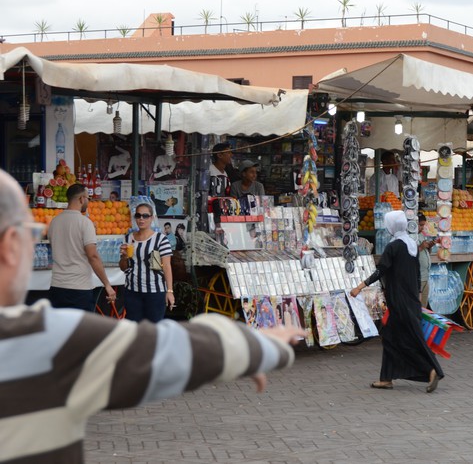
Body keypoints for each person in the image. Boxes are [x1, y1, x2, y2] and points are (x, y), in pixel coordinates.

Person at [0, 168, 304, 462]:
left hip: (139, 290)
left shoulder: (42, 336)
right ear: (12, 246)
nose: (141, 219)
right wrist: (253, 347)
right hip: (108, 289)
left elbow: (151, 342)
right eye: (30, 234)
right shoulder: (45, 337)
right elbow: (157, 351)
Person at [349, 210, 444, 392]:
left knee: (409, 338)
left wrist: (359, 287)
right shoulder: (412, 245)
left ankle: (432, 370)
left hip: (399, 300)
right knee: (391, 338)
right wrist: (416, 294)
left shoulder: (393, 247)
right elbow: (416, 273)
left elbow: (381, 270)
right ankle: (386, 378)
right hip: (409, 300)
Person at [47, 183, 116, 312]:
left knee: (60, 330)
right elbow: (93, 256)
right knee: (80, 331)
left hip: (57, 286)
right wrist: (107, 284)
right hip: (79, 289)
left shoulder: (54, 222)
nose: (88, 202)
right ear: (81, 199)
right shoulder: (85, 223)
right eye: (88, 198)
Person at [119, 203, 174, 322]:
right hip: (132, 291)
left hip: (154, 291)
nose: (141, 219)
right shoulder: (128, 238)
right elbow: (123, 267)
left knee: (153, 329)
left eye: (145, 216)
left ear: (152, 217)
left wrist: (169, 291)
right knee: (133, 329)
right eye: (138, 215)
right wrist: (123, 258)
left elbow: (167, 266)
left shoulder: (160, 239)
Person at [417, 212, 434, 308]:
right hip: (418, 277)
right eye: (421, 225)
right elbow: (409, 254)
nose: (422, 228)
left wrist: (429, 247)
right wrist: (421, 247)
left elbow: (425, 252)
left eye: (423, 225)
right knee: (418, 306)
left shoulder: (421, 235)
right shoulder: (411, 237)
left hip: (425, 276)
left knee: (424, 306)